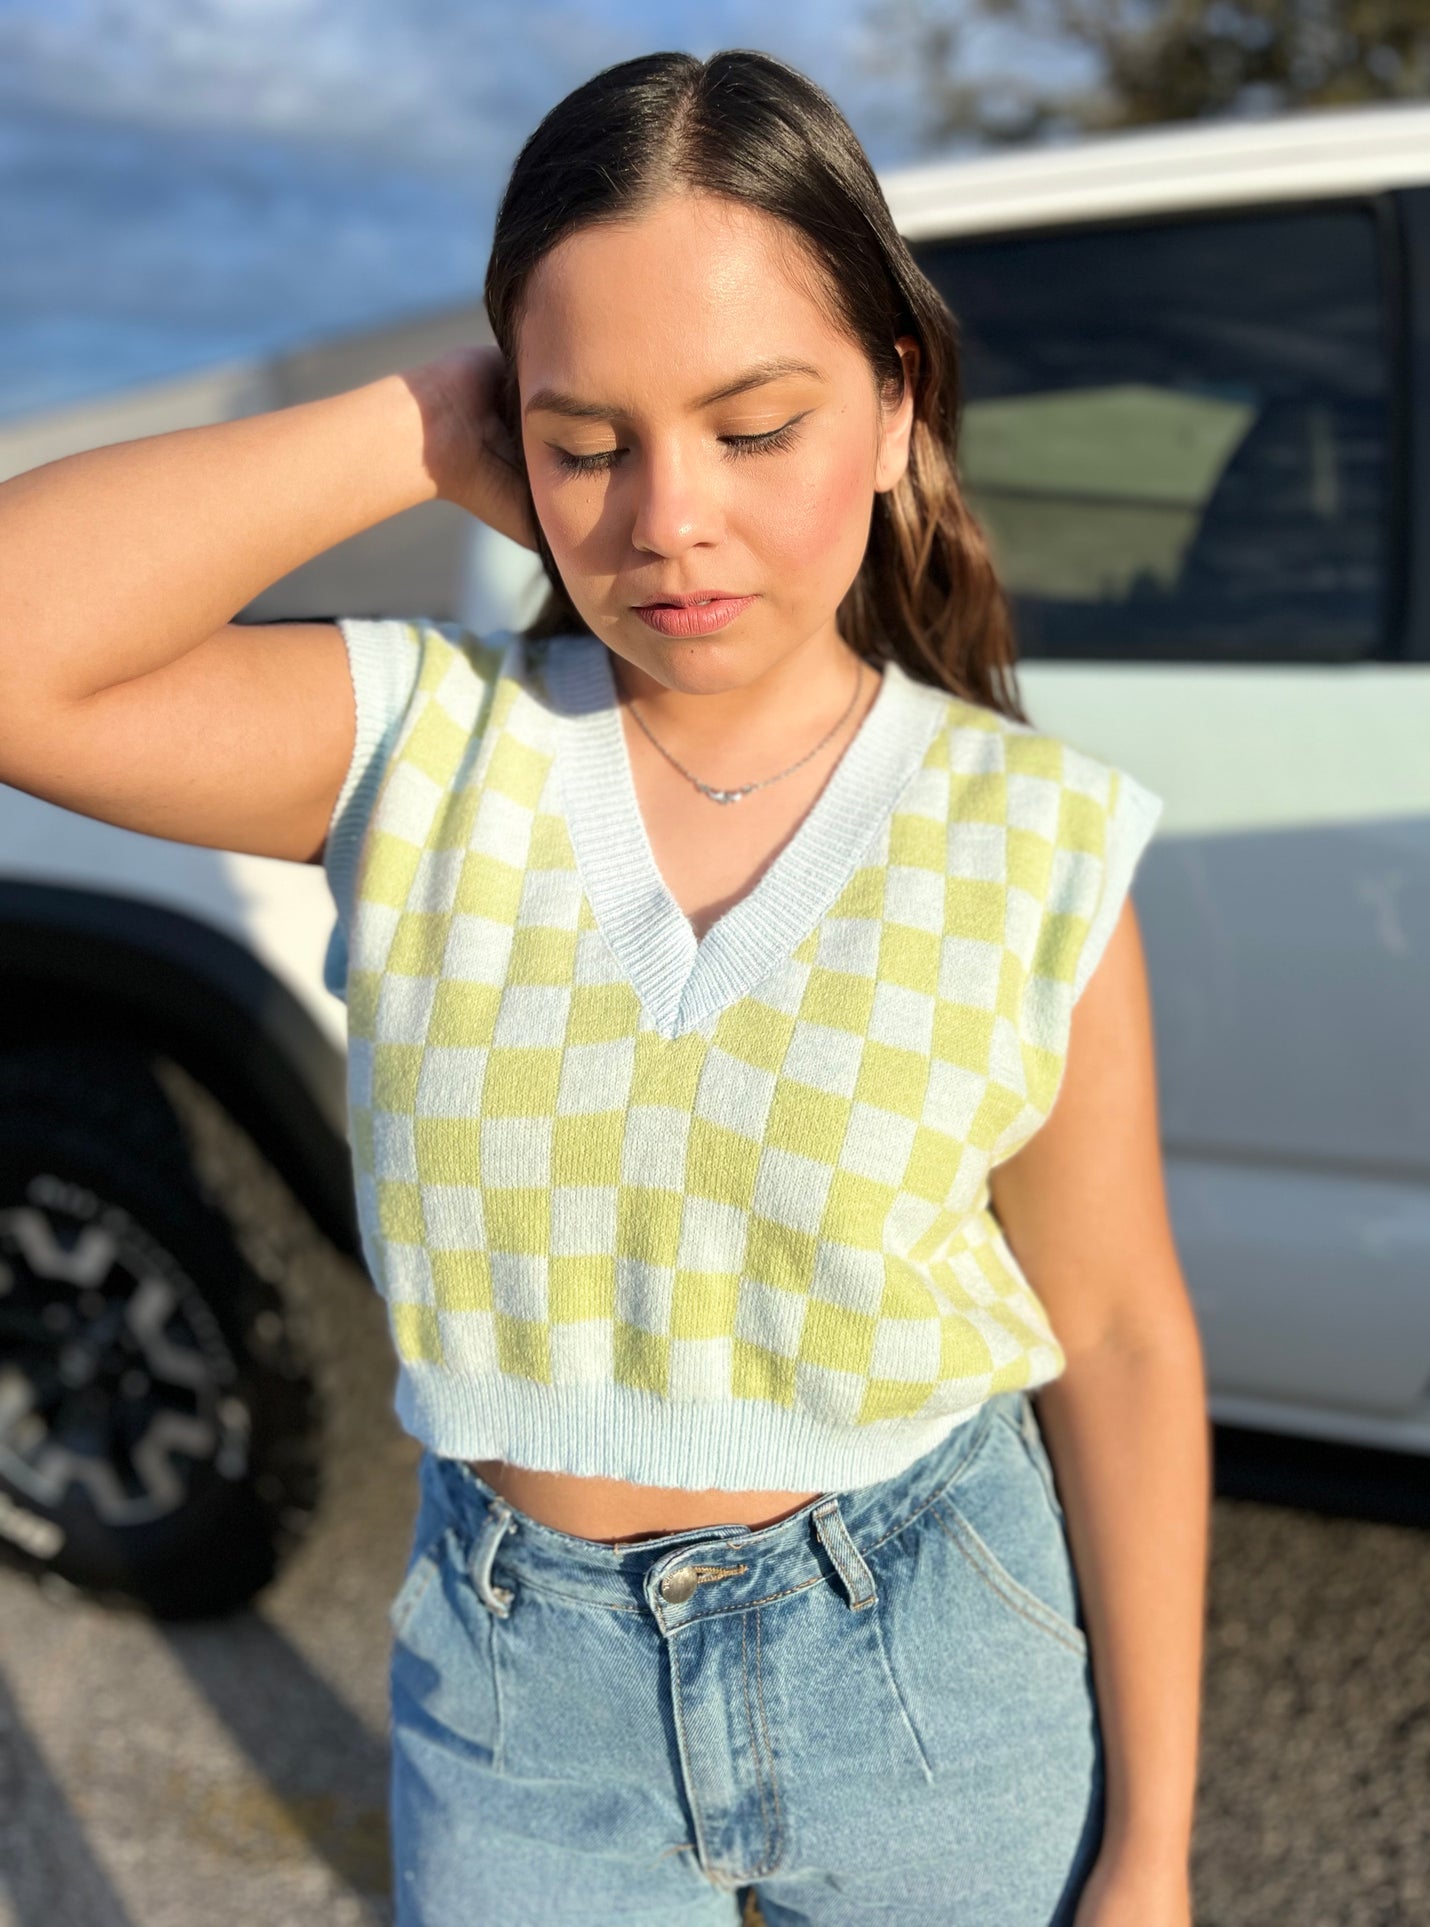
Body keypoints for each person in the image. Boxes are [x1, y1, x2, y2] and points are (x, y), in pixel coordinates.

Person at [0, 45, 1210, 1927]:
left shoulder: (1032, 835)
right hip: (516, 1701)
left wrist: (1150, 1850)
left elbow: (1123, 1339)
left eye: (753, 425)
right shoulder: (420, 746)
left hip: (933, 1679)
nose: (668, 517)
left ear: (896, 409)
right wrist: (413, 415)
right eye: (583, 441)